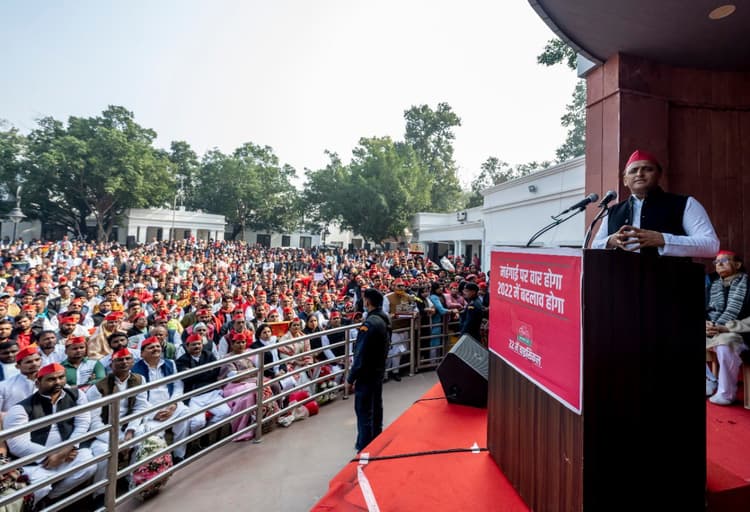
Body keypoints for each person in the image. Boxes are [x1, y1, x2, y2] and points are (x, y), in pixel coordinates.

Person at [592, 149, 719, 258]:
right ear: (625, 180)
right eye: (633, 170)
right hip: (622, 278)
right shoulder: (613, 211)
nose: (639, 174)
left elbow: (711, 245)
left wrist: (664, 240)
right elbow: (595, 246)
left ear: (659, 175)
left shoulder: (685, 203)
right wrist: (611, 240)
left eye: (647, 169)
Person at [4, 363, 97, 506]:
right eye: (51, 379)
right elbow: (17, 444)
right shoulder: (20, 409)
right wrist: (52, 455)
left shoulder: (77, 395)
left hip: (67, 454)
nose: (58, 382)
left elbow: (82, 423)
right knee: (42, 486)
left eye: (61, 377)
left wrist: (66, 450)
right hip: (37, 461)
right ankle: (36, 504)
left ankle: (51, 500)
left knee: (89, 465)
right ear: (37, 383)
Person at [346, 288, 390, 452]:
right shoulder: (384, 319)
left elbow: (361, 354)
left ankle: (364, 448)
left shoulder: (369, 324)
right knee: (376, 408)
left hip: (367, 374)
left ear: (368, 301)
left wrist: (350, 378)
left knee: (364, 411)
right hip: (378, 371)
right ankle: (376, 443)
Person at [705, 250, 750, 404]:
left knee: (725, 342)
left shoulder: (748, 284)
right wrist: (706, 323)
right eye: (716, 262)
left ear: (737, 264)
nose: (719, 264)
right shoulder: (712, 286)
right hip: (714, 332)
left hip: (741, 335)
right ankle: (710, 380)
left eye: (724, 261)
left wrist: (728, 327)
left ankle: (726, 394)